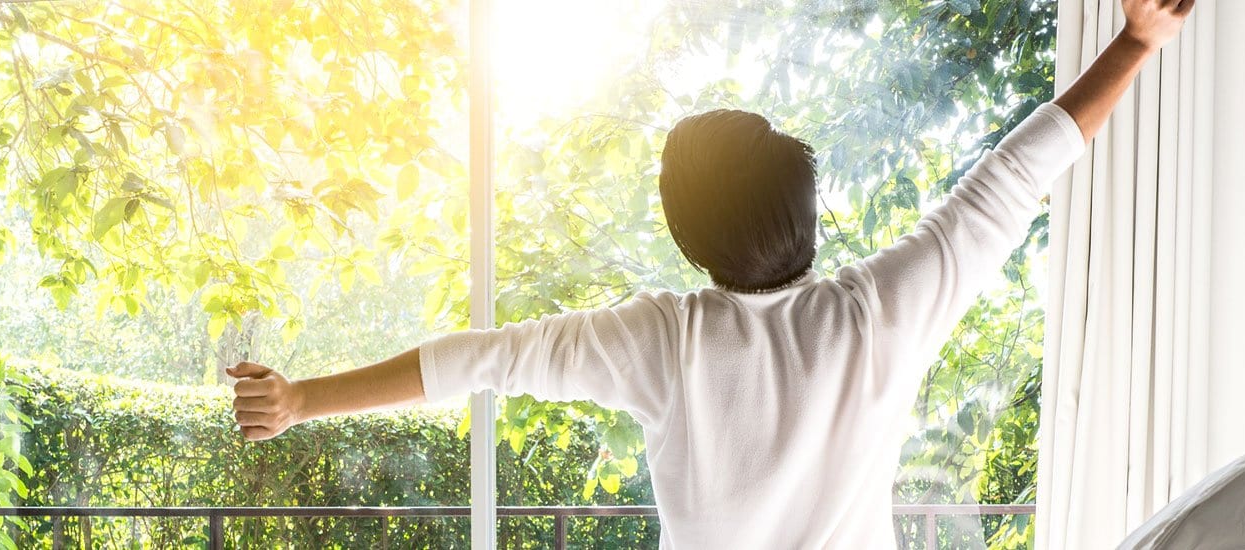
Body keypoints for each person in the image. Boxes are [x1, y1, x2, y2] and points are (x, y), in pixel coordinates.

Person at [225, 0, 1195, 546]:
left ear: (692, 241)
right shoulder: (883, 312)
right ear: (808, 207)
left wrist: (305, 396)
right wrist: (1136, 42)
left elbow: (477, 360)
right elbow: (1013, 176)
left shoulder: (660, 339)